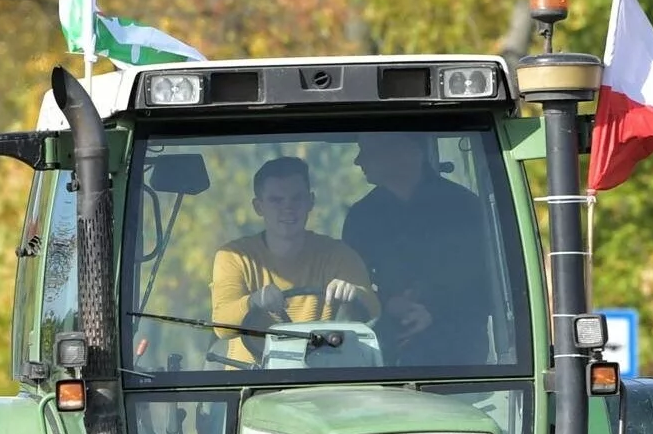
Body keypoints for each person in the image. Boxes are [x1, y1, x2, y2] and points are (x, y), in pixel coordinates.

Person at [341, 134, 498, 366]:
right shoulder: (361, 217)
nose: (358, 160)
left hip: (460, 360)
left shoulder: (466, 209)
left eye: (368, 150)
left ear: (406, 151)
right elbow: (351, 286)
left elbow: (493, 286)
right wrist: (388, 304)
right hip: (383, 359)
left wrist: (434, 311)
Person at [210, 156, 379, 364]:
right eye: (276, 200)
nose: (288, 208)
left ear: (311, 201)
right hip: (252, 382)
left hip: (324, 380)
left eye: (296, 198)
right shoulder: (235, 257)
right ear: (258, 207)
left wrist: (353, 295)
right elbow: (221, 325)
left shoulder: (339, 255)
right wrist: (254, 300)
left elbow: (374, 313)